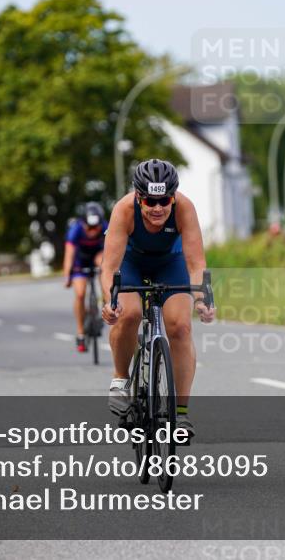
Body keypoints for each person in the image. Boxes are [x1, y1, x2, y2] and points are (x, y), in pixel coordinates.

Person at [100, 159, 215, 438]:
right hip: (131, 264)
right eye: (150, 201)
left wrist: (202, 299)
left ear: (173, 196)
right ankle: (121, 378)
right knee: (129, 314)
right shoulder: (123, 210)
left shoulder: (184, 208)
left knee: (180, 327)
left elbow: (196, 262)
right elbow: (109, 267)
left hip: (170, 263)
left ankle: (182, 414)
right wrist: (110, 302)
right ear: (139, 198)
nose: (158, 208)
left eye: (164, 200)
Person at [62, 202, 107, 353]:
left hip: (97, 256)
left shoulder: (106, 227)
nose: (93, 232)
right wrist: (67, 275)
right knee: (80, 294)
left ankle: (104, 303)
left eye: (96, 228)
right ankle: (81, 332)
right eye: (89, 227)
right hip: (79, 261)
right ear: (83, 223)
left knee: (104, 265)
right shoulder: (75, 229)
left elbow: (112, 251)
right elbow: (69, 254)